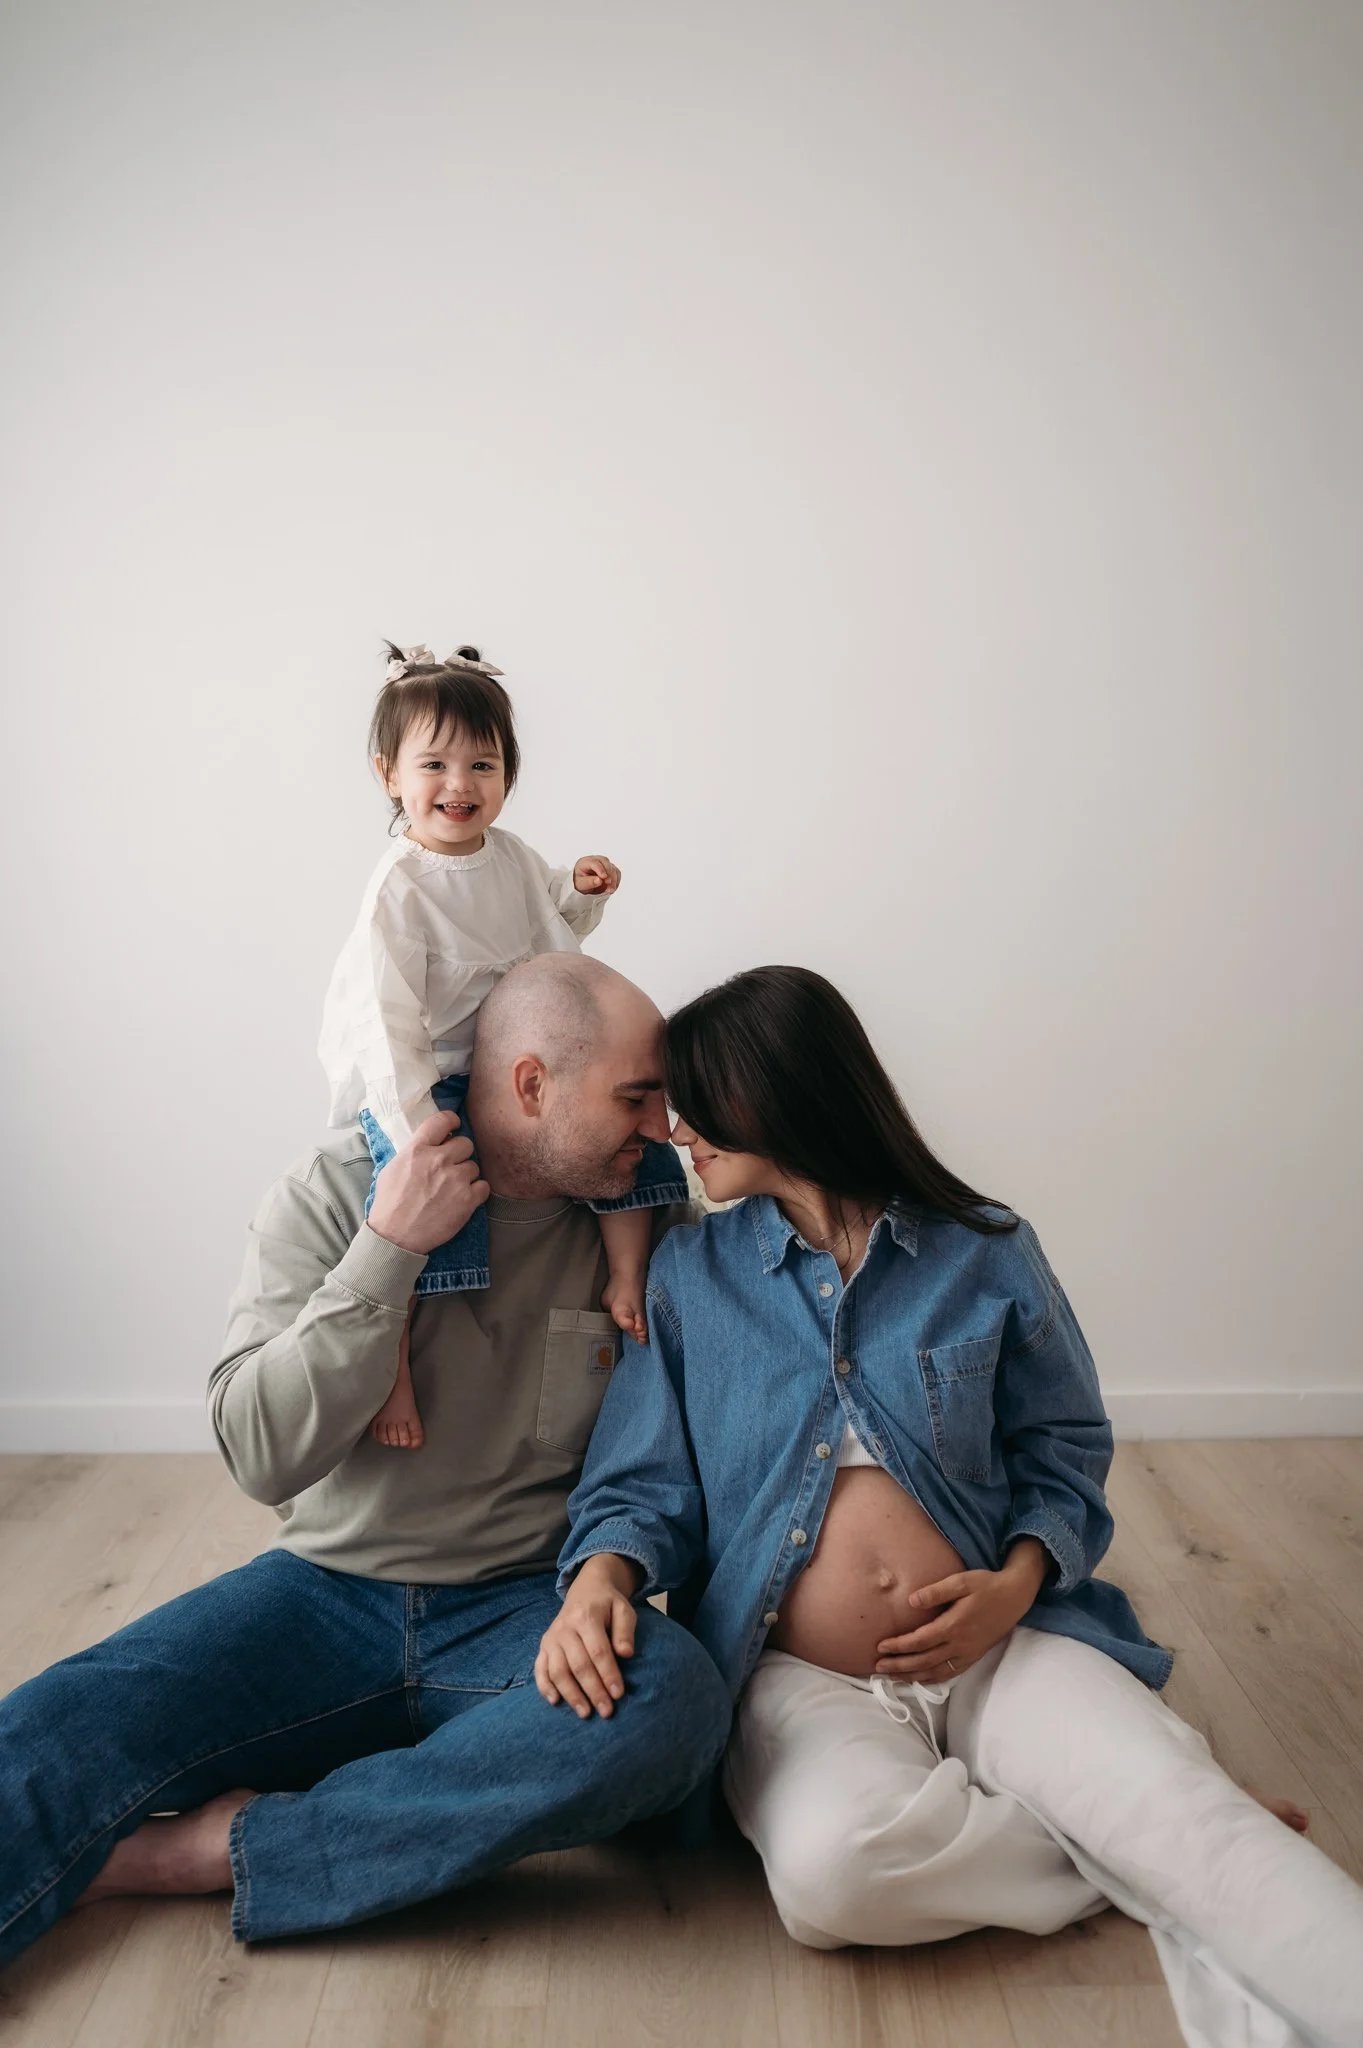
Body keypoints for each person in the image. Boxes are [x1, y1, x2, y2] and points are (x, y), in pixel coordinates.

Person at [539, 965, 1363, 2048]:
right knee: (835, 1880)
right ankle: (1130, 1845)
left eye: (695, 1101)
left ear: (770, 1093)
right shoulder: (690, 1273)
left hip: (998, 1643)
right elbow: (640, 1481)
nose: (674, 1130)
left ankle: (1172, 1830)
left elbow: (1063, 1447)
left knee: (1203, 1829)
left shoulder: (985, 1249)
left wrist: (1014, 1586)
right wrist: (599, 1578)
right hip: (799, 1674)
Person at [0, 955, 729, 1968]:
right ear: (532, 1084)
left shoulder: (645, 1226)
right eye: (635, 1096)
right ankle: (429, 1787)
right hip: (324, 1594)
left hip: (529, 1608)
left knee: (671, 1697)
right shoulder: (337, 1188)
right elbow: (260, 1452)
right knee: (47, 1730)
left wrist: (605, 1577)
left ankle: (219, 1850)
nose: (661, 1127)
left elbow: (663, 1458)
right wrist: (387, 1248)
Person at [319, 640, 686, 1448]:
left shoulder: (511, 857)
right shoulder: (400, 889)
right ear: (389, 775)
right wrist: (414, 1123)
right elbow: (385, 1022)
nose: (459, 785)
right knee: (417, 1206)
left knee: (630, 1134)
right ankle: (394, 1364)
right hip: (436, 1068)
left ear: (508, 776)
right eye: (434, 765)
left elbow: (549, 931)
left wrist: (578, 891)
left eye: (482, 766)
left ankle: (626, 1272)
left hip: (522, 1058)